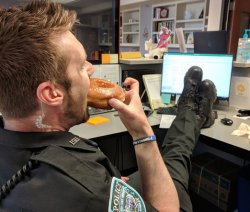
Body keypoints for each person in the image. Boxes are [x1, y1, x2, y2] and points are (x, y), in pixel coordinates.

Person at [0, 1, 217, 211]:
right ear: (51, 93)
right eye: (81, 66)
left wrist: (108, 179)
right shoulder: (91, 191)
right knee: (174, 160)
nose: (91, 69)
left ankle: (189, 115)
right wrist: (141, 131)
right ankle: (190, 113)